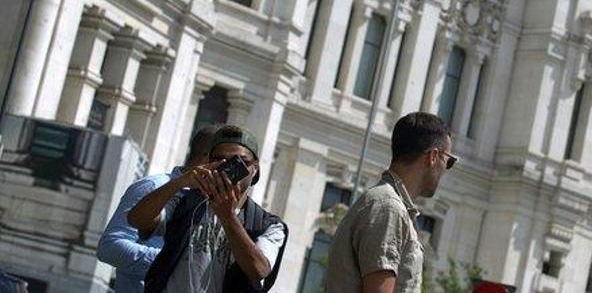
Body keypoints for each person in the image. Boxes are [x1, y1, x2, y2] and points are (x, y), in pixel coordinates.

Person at [128, 125, 288, 293]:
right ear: (209, 163)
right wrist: (180, 182)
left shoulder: (267, 224)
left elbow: (259, 270)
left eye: (241, 162)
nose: (229, 168)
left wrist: (227, 216)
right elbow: (137, 220)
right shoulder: (186, 202)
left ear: (255, 169)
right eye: (220, 160)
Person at [326, 112, 457, 293]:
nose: (446, 171)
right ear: (433, 156)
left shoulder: (390, 205)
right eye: (449, 162)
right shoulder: (388, 207)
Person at [96, 125, 219, 292]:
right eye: (226, 161)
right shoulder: (153, 187)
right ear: (208, 159)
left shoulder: (216, 204)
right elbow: (110, 247)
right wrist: (173, 262)